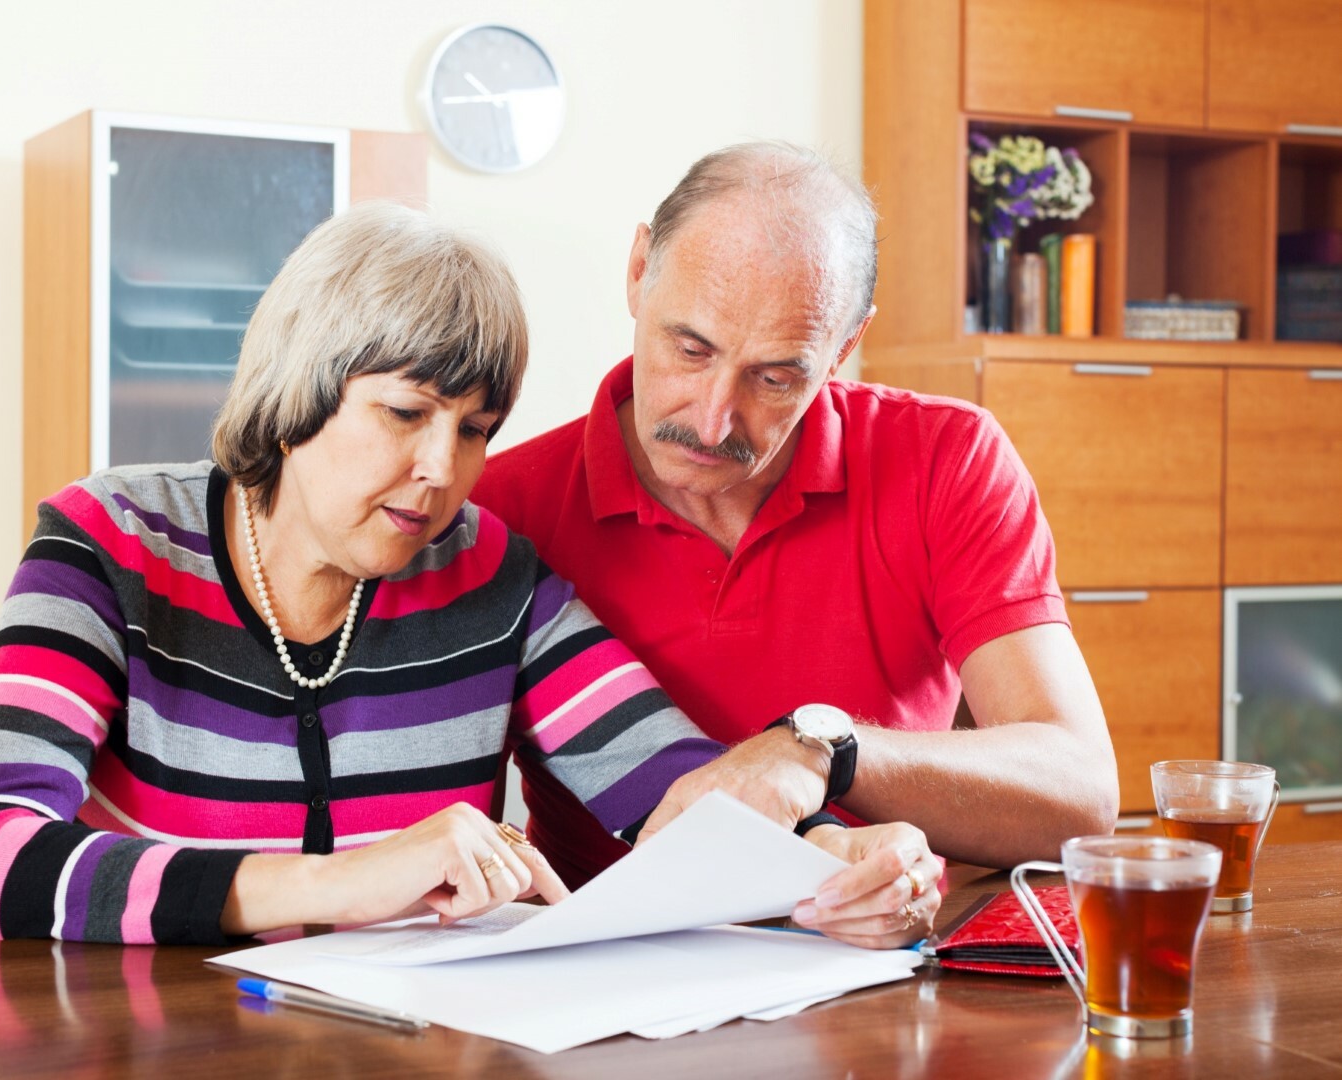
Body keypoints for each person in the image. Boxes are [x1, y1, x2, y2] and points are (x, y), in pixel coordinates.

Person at [0, 202, 940, 949]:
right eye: (404, 414)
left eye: (476, 429)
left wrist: (834, 861)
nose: (441, 471)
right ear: (300, 387)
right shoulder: (111, 544)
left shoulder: (490, 574)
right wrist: (340, 883)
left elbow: (676, 791)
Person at [472, 144, 1120, 927]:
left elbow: (1080, 794)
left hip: (875, 960)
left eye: (774, 377)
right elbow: (441, 828)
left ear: (843, 347)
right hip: (609, 963)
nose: (712, 420)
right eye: (690, 349)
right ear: (638, 270)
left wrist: (821, 749)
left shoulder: (945, 458)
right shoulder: (495, 507)